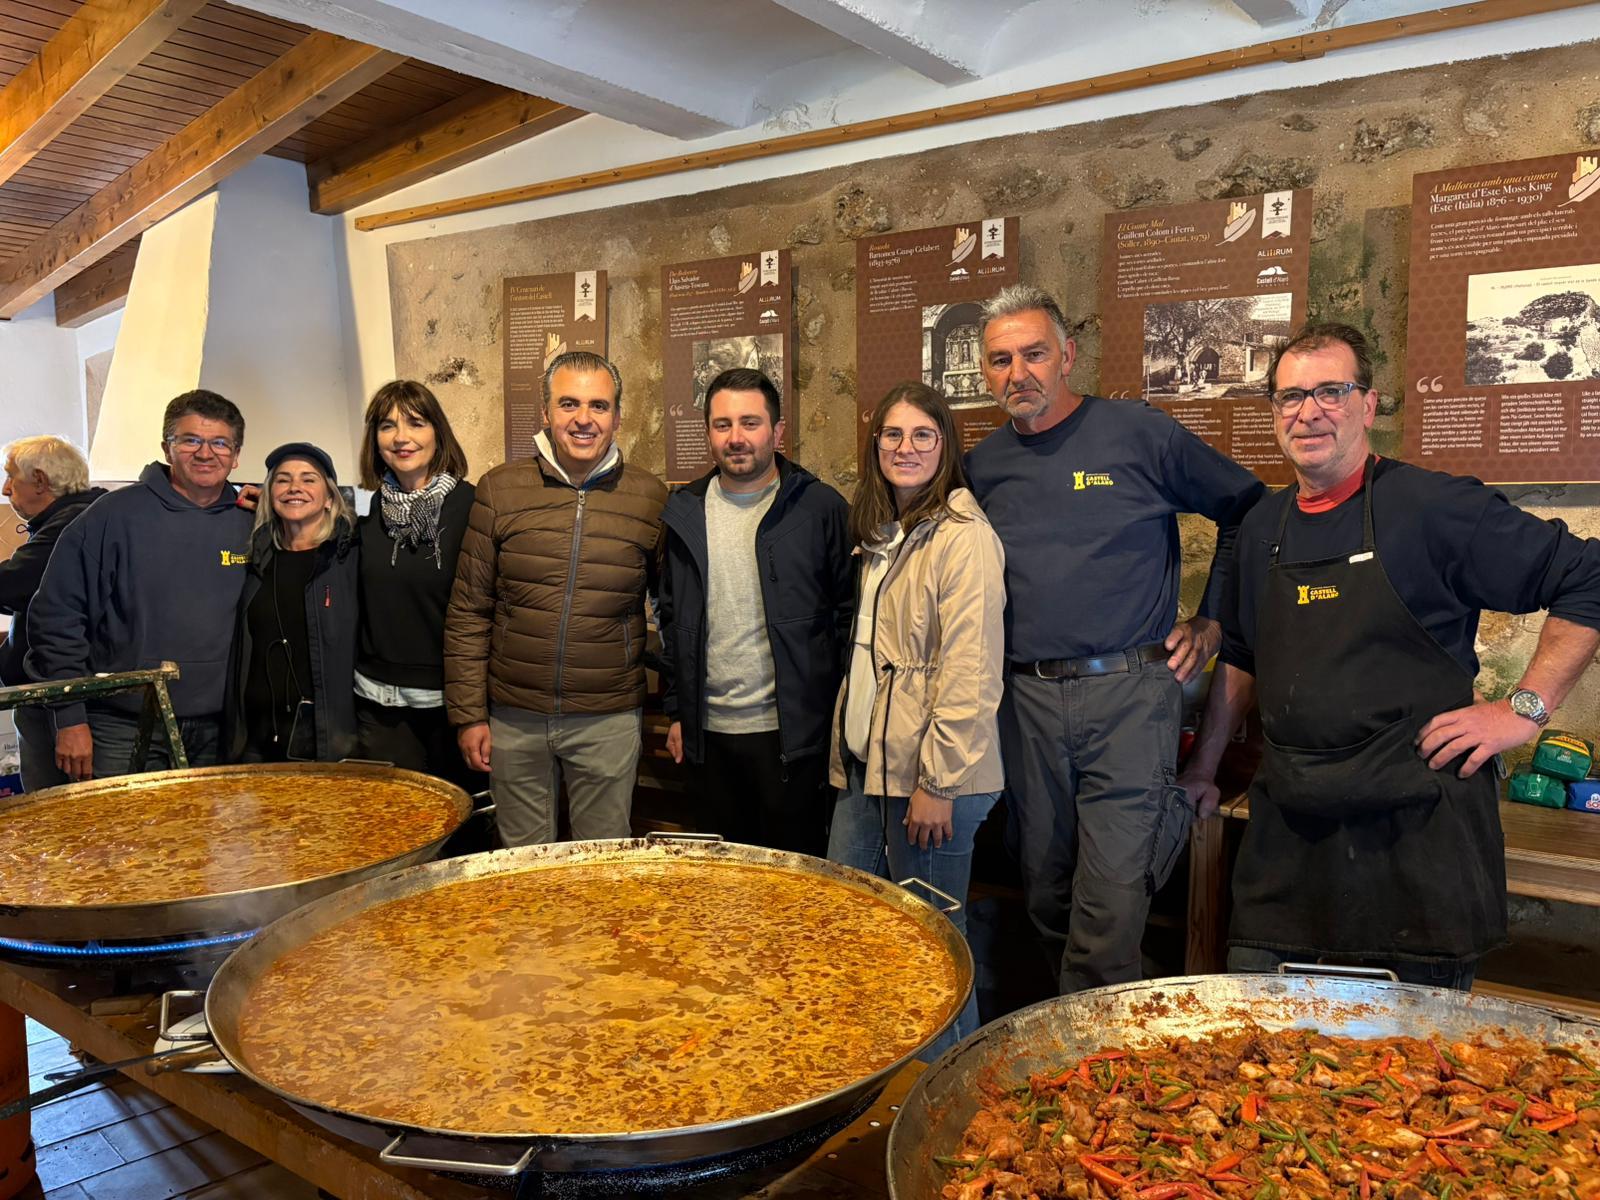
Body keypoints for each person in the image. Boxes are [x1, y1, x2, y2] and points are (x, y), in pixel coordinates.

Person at [1178, 323, 1600, 989]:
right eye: (1291, 396)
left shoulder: (1432, 508)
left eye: (1331, 391)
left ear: (1368, 405)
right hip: (1289, 843)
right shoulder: (1261, 526)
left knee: (1408, 1055)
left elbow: (1587, 575)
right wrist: (1203, 768)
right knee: (1263, 1037)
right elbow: (1240, 653)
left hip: (1416, 844)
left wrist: (1524, 710)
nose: (1309, 412)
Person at [965, 284, 1265, 994]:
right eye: (1001, 360)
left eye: (1035, 354)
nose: (1019, 373)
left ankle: (1097, 1047)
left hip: (1129, 694)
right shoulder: (981, 467)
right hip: (1026, 701)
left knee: (1111, 903)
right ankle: (1090, 1018)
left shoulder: (1139, 434)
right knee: (1045, 891)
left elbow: (1248, 509)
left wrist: (1213, 617)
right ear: (985, 372)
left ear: (1068, 355)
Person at [827, 382, 1006, 1053]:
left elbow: (971, 671)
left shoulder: (963, 538)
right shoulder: (883, 533)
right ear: (875, 444)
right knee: (852, 931)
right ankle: (881, 1085)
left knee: (932, 954)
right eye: (893, 435)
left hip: (929, 779)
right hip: (868, 768)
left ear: (946, 446)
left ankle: (946, 1089)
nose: (906, 448)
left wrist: (939, 781)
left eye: (923, 435)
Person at [445, 350, 667, 846]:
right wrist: (469, 715)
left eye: (598, 406)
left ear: (617, 416)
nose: (584, 419)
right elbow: (469, 612)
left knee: (601, 863)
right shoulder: (500, 490)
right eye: (569, 404)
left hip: (607, 718)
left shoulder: (649, 498)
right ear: (545, 412)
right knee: (523, 866)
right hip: (514, 718)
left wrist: (676, 708)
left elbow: (671, 613)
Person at [657, 368, 852, 853]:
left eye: (750, 422)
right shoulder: (684, 512)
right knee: (722, 881)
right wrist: (678, 712)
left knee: (794, 878)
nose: (736, 438)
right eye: (722, 424)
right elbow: (672, 619)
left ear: (777, 431)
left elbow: (848, 619)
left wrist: (837, 725)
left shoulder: (819, 509)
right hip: (709, 740)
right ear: (708, 433)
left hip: (792, 740)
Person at [27, 390, 253, 779]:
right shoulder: (112, 516)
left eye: (220, 443)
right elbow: (56, 619)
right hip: (121, 726)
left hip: (222, 729)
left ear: (236, 456)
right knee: (117, 822)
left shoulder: (252, 522)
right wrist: (69, 717)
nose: (205, 453)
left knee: (208, 823)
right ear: (167, 448)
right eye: (190, 440)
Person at [352, 380, 480, 787]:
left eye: (415, 423)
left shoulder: (473, 508)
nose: (401, 437)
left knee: (461, 820)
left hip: (451, 707)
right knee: (390, 819)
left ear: (438, 433)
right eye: (387, 426)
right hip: (378, 705)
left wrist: (477, 709)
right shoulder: (367, 512)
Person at [224, 443, 359, 763]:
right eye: (282, 480)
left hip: (324, 744)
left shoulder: (351, 557)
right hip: (255, 743)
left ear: (329, 498)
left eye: (308, 479)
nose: (294, 486)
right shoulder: (258, 558)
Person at [0, 437, 105, 791]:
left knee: (52, 805)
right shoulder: (74, 516)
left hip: (61, 697)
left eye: (11, 478)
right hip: (54, 691)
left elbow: (12, 586)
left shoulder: (68, 525)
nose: (5, 489)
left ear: (41, 481)